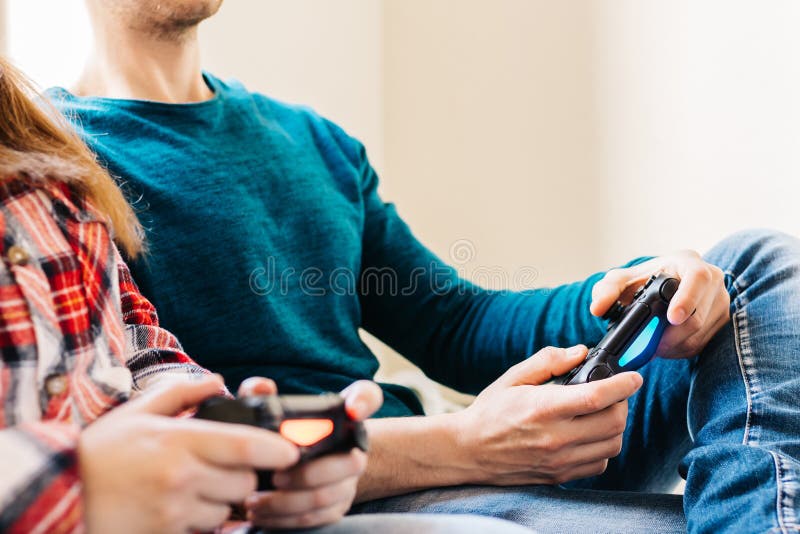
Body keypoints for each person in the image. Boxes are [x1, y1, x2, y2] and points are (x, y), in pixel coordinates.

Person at [48, 0, 800, 532]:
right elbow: (168, 438)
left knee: (751, 267)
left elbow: (456, 321)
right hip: (331, 494)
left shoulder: (312, 142)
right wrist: (467, 443)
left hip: (465, 454)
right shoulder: (51, 173)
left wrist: (633, 290)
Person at [0, 57, 533, 534]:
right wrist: (464, 445)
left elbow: (452, 318)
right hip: (364, 480)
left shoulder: (49, 175)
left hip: (314, 478)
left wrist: (597, 296)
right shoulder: (80, 152)